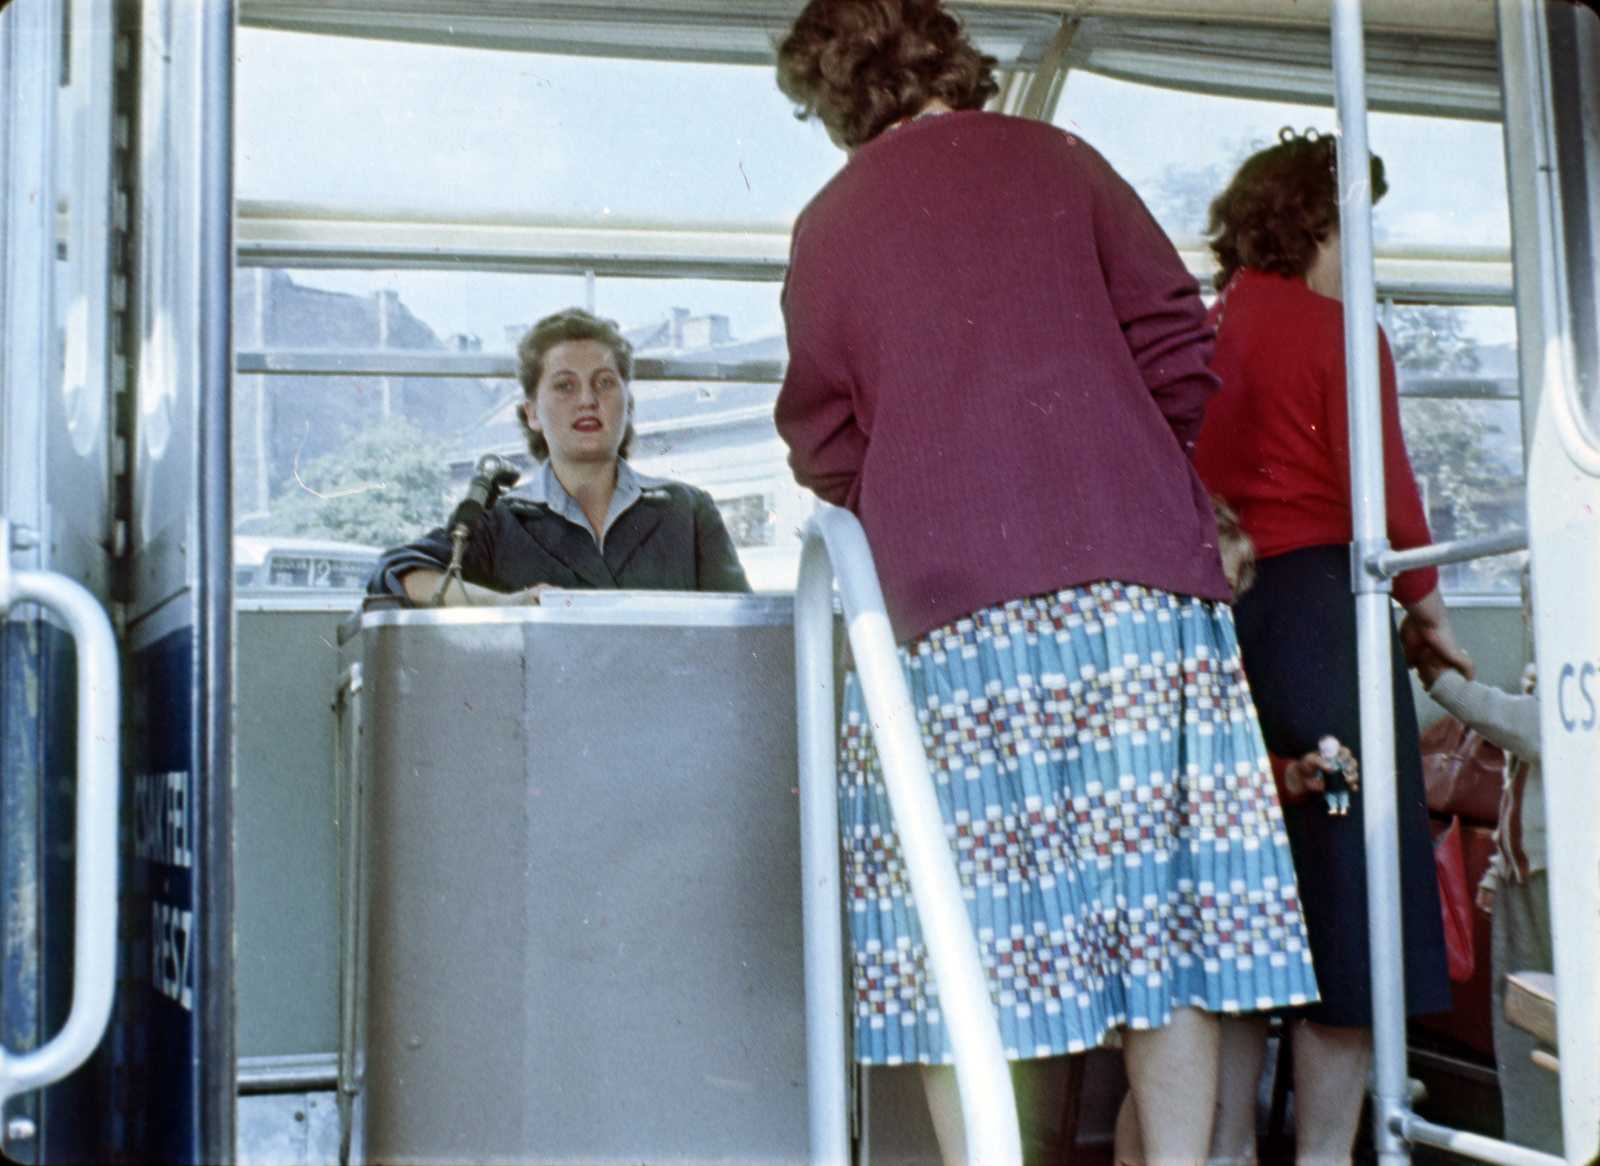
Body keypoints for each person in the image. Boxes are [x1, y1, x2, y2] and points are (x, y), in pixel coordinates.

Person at [773, 5, 1319, 1163]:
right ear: (951, 60)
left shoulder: (829, 224)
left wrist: (932, 486)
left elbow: (822, 440)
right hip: (1135, 598)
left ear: (835, 97)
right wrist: (1116, 460)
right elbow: (1179, 338)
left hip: (951, 618)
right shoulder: (1063, 160)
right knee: (1160, 922)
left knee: (948, 930)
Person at [1190, 128, 1475, 1165]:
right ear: (1319, 220)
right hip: (1320, 616)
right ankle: (1321, 1156)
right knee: (1349, 906)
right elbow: (1384, 491)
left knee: (1235, 915)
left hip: (1223, 621)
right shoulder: (1335, 329)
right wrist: (1429, 610)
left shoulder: (1199, 330)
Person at [369, 308, 751, 604]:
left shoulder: (689, 511)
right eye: (565, 385)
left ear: (629, 404)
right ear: (531, 413)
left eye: (603, 382)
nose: (587, 399)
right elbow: (392, 572)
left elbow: (743, 630)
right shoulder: (499, 522)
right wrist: (502, 603)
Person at [1417, 578, 1559, 1156]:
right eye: (1532, 608)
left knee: (1548, 1021)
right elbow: (1520, 796)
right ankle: (1533, 1140)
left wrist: (1443, 683)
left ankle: (1548, 1140)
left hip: (1563, 883)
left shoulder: (1572, 695)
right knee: (1520, 1020)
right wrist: (1499, 866)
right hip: (1529, 875)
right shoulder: (1548, 681)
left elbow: (1527, 728)